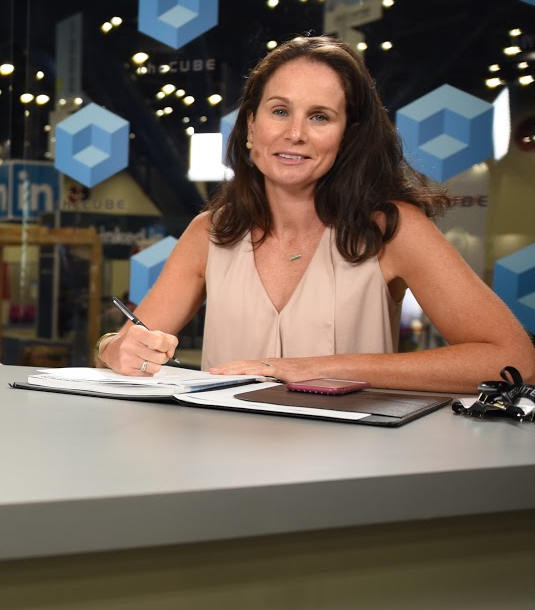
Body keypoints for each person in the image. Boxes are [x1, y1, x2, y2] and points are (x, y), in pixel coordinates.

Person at [97, 34, 533, 393]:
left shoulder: (393, 229)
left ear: (348, 135)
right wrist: (115, 349)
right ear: (251, 125)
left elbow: (515, 360)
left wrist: (314, 367)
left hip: (349, 464)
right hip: (220, 459)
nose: (295, 133)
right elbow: (127, 346)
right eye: (280, 111)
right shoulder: (209, 232)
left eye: (320, 117)